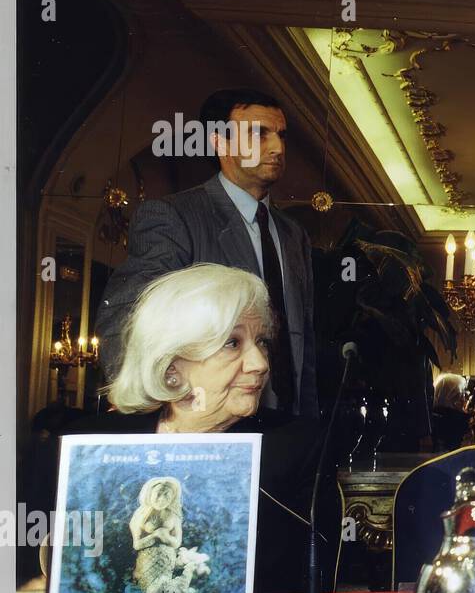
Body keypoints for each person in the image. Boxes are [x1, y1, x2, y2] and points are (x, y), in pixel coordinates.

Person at [49, 264, 341, 593]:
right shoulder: (91, 446)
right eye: (233, 343)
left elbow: (308, 585)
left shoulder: (297, 447)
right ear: (171, 365)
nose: (260, 364)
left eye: (261, 341)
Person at [96, 88, 317, 417]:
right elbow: (123, 322)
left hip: (291, 428)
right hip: (210, 426)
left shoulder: (293, 234)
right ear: (220, 142)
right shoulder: (175, 217)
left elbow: (304, 343)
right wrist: (158, 416)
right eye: (259, 133)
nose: (277, 147)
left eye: (281, 135)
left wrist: (309, 423)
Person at [429, 372, 471, 453]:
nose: (464, 399)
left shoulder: (431, 418)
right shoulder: (458, 421)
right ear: (453, 398)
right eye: (462, 394)